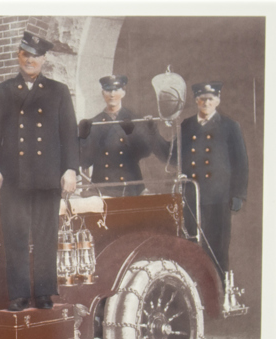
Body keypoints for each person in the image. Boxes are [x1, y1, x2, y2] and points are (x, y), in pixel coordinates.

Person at [0, 32, 79, 312]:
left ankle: (46, 291)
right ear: (18, 56)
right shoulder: (2, 91)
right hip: (13, 176)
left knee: (47, 235)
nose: (30, 60)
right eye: (26, 54)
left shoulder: (59, 91)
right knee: (16, 234)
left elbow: (69, 134)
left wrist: (70, 169)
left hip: (48, 175)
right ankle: (20, 294)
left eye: (36, 56)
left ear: (44, 59)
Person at [180, 81, 248, 279]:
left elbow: (241, 163)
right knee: (192, 247)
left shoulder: (229, 126)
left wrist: (238, 194)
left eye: (210, 99)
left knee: (218, 248)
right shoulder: (187, 125)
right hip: (192, 198)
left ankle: (221, 295)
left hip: (219, 198)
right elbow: (172, 153)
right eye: (201, 98)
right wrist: (153, 132)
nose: (205, 102)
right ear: (195, 100)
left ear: (217, 100)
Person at [79, 75, 170, 196]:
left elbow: (145, 152)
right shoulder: (94, 123)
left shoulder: (134, 120)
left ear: (123, 92)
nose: (112, 94)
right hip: (102, 189)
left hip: (131, 188)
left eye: (116, 90)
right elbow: (85, 162)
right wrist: (83, 138)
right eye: (108, 90)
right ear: (103, 93)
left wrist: (150, 131)